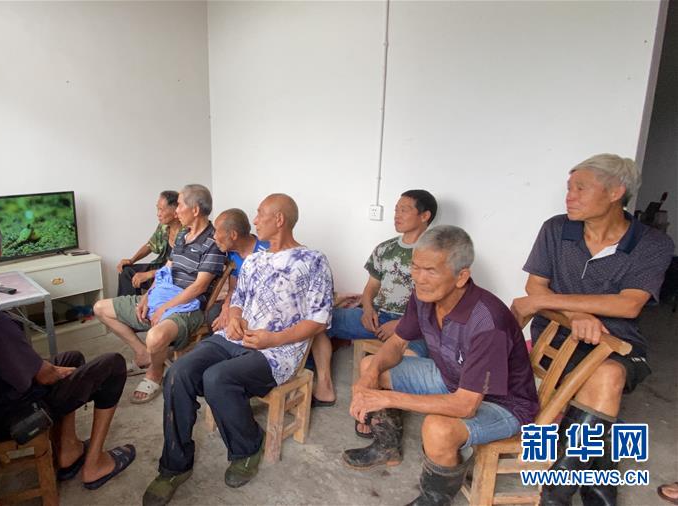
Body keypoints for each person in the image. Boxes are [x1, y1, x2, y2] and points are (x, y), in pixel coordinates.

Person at [142, 194, 334, 506]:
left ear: (279, 220)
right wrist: (233, 318)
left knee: (217, 378)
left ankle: (248, 446)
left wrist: (273, 339)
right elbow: (239, 300)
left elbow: (319, 320)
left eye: (260, 214)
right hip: (234, 338)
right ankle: (174, 466)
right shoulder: (254, 260)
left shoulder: (312, 260)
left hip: (277, 352)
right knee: (179, 372)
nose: (254, 221)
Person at [511, 154, 673, 506]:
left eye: (580, 188)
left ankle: (555, 495)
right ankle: (594, 492)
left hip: (617, 343)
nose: (569, 197)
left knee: (607, 374)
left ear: (616, 192)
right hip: (557, 338)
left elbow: (629, 304)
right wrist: (574, 315)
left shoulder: (652, 243)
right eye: (569, 188)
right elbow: (535, 286)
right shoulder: (556, 229)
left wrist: (557, 304)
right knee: (604, 386)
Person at [0, 211, 135, 488]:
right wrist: (58, 372)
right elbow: (43, 376)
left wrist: (56, 369)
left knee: (73, 357)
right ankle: (95, 465)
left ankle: (68, 451)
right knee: (112, 365)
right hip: (17, 416)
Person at [344, 226, 538, 506]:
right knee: (371, 365)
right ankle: (387, 448)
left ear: (461, 277)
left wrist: (385, 398)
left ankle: (435, 499)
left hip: (501, 403)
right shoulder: (424, 297)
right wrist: (370, 377)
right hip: (453, 378)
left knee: (437, 428)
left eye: (431, 271)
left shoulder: (487, 321)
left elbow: (465, 406)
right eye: (415, 267)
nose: (419, 278)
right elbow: (397, 343)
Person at [310, 190, 436, 419]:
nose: (397, 215)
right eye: (396, 209)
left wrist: (401, 325)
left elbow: (437, 305)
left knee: (408, 359)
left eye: (404, 210)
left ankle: (383, 414)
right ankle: (324, 386)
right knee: (317, 322)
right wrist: (367, 310)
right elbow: (371, 287)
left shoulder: (436, 253)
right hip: (377, 317)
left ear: (425, 215)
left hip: (414, 327)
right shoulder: (385, 249)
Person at [94, 184, 226, 403]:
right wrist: (147, 297)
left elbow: (199, 287)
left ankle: (155, 373)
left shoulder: (213, 242)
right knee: (100, 308)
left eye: (180, 205)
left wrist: (165, 308)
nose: (176, 211)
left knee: (155, 337)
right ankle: (143, 353)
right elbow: (166, 269)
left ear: (195, 210)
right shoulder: (183, 234)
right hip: (162, 296)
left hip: (187, 307)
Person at [210, 208, 269, 329]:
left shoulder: (267, 251)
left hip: (260, 306)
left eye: (217, 232)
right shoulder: (232, 254)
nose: (214, 236)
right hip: (239, 301)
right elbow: (233, 289)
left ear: (233, 235)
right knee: (213, 314)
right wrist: (226, 307)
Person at [117, 190, 183, 296]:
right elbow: (150, 245)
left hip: (174, 274)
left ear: (176, 212)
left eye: (161, 210)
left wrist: (149, 274)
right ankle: (130, 304)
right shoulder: (164, 226)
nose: (158, 214)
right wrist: (132, 260)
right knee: (126, 271)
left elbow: (180, 268)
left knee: (151, 278)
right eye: (157, 208)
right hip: (160, 266)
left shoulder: (186, 233)